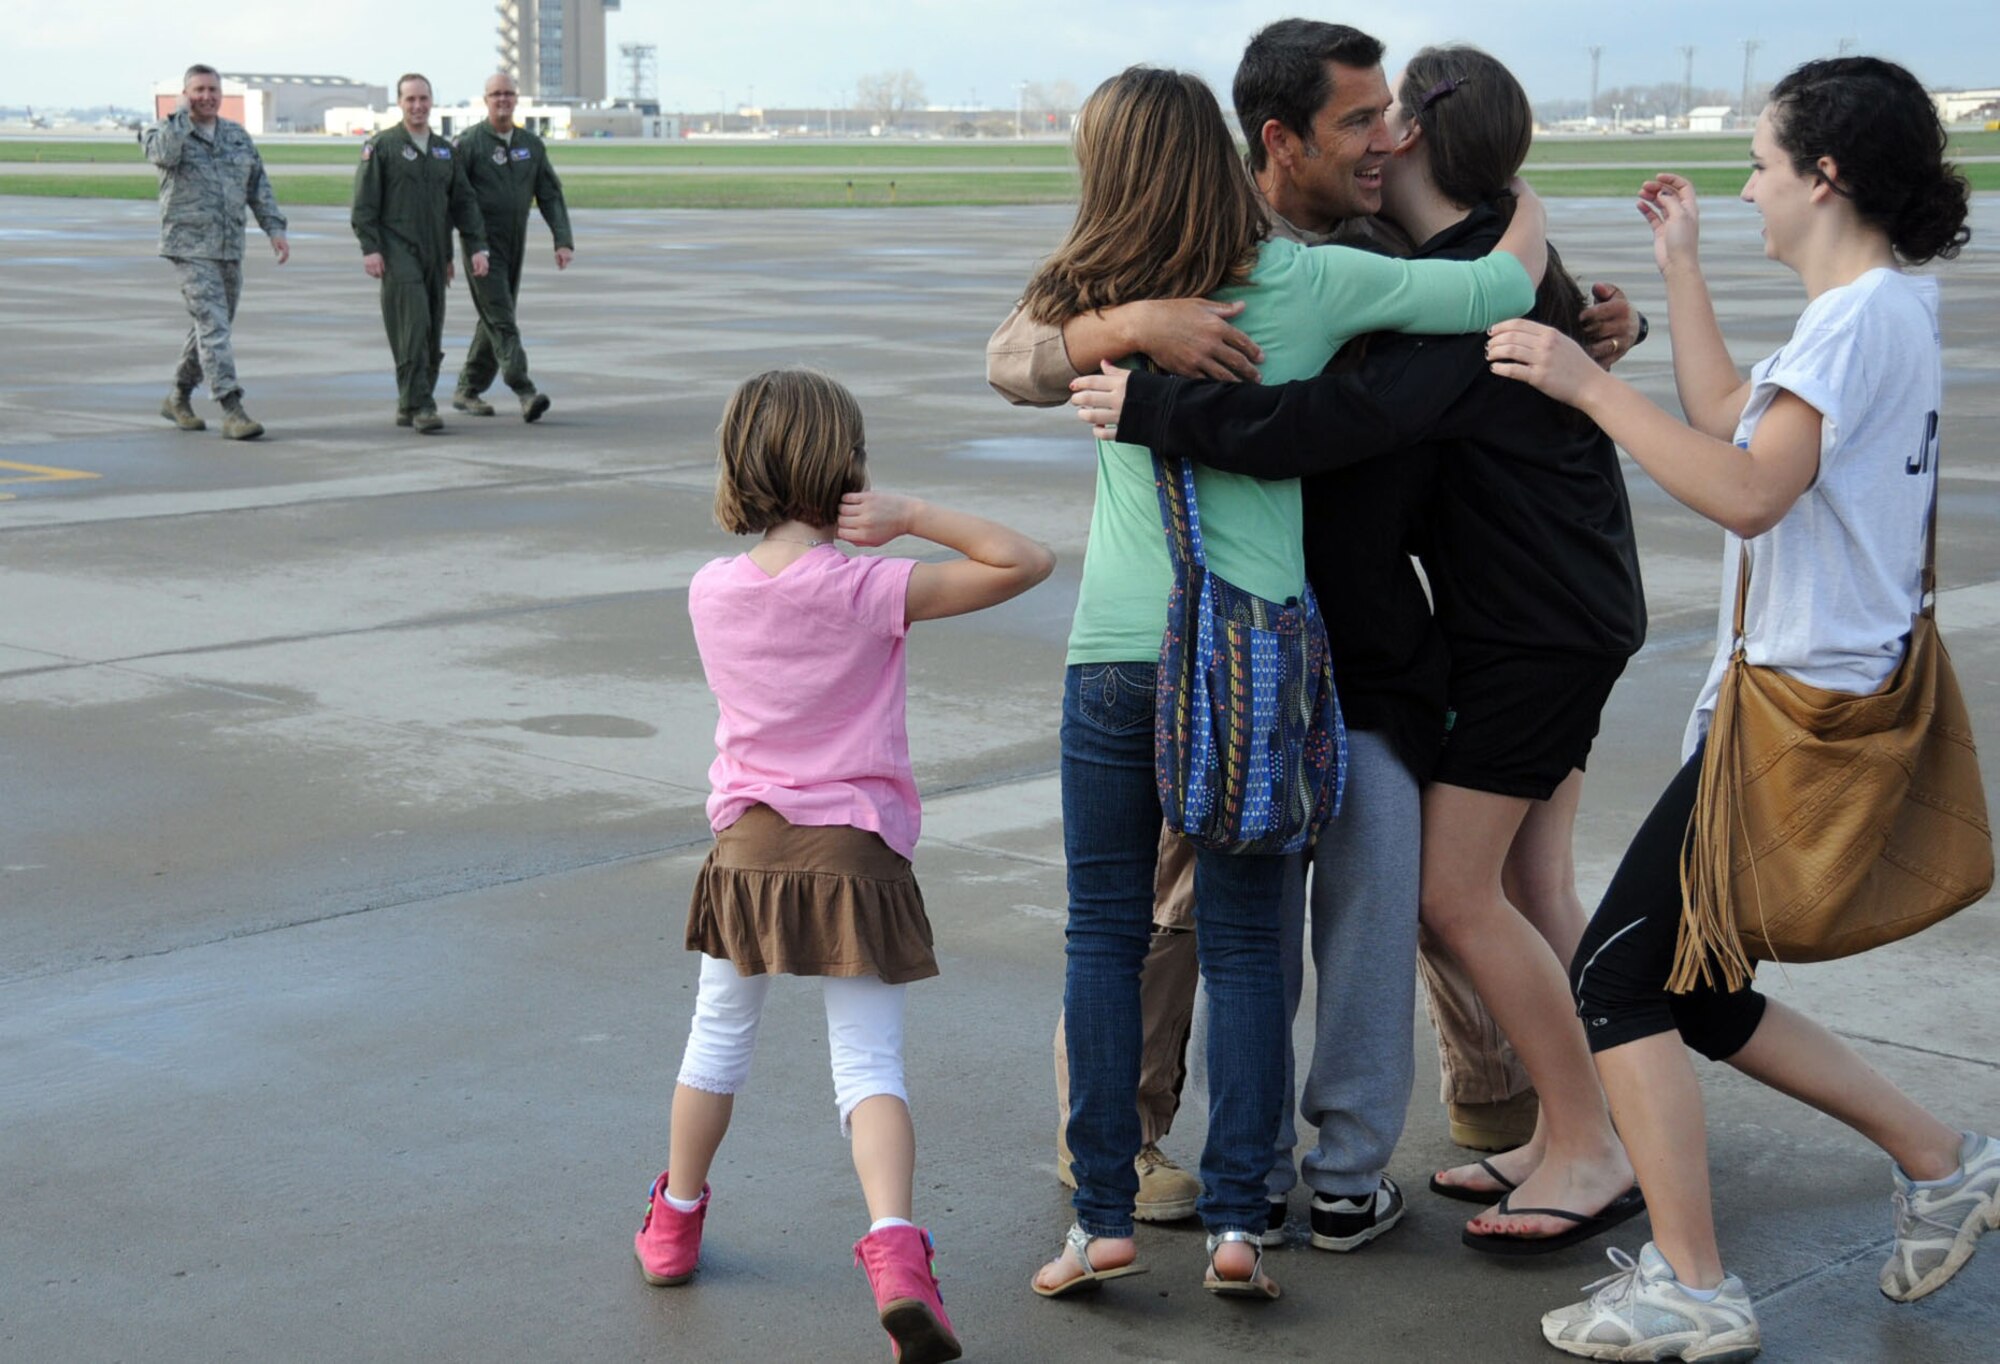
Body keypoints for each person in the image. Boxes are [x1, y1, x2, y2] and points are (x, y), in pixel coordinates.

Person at [993, 20, 1639, 1260]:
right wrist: (1122, 329)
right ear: (1275, 141)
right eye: (1360, 120)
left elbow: (1483, 311)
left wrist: (1599, 326)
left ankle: (1331, 1160)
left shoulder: (1366, 250)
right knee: (1211, 919)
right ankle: (1168, 1160)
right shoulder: (1250, 265)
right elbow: (1015, 353)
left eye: (1396, 118)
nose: (1385, 135)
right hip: (1256, 646)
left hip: (1346, 654)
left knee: (1369, 895)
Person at [1484, 56, 1995, 1359]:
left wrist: (1585, 385)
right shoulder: (1878, 310)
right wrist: (1681, 266)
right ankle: (1940, 1160)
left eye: (1761, 165)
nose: (1749, 184)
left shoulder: (1859, 319)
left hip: (1794, 713)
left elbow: (1749, 490)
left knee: (1616, 973)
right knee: (1695, 991)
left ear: (1825, 176)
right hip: (1801, 699)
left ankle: (1697, 1288)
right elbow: (1731, 421)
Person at [633, 369, 1054, 1364]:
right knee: (867, 1066)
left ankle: (675, 1217)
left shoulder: (710, 590)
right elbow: (1025, 559)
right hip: (856, 859)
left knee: (714, 1042)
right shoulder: (871, 587)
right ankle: (898, 1252)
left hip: (745, 855)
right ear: (844, 468)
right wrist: (910, 514)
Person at [143, 63, 288, 441]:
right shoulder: (165, 131)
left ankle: (177, 396)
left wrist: (274, 228)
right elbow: (163, 155)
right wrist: (177, 116)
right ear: (185, 93)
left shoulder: (236, 137)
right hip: (189, 247)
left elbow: (258, 186)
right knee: (214, 327)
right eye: (198, 90)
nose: (206, 97)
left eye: (212, 90)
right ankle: (231, 407)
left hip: (229, 248)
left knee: (210, 327)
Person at [350, 73, 490, 433]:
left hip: (435, 254)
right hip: (398, 251)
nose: (417, 106)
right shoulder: (382, 147)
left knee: (431, 332)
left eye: (423, 99)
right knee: (413, 326)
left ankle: (407, 401)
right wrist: (371, 249)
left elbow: (463, 202)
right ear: (399, 103)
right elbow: (364, 205)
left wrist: (475, 247)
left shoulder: (445, 151)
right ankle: (423, 404)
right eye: (410, 99)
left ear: (431, 101)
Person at [450, 72, 573, 423]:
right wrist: (454, 249)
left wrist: (562, 239)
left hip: (514, 240)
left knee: (495, 317)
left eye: (508, 94)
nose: (502, 99)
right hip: (481, 244)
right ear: (485, 99)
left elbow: (549, 193)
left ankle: (467, 388)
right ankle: (524, 389)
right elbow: (454, 197)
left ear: (516, 99)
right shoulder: (469, 144)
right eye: (495, 94)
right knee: (502, 318)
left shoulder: (531, 145)